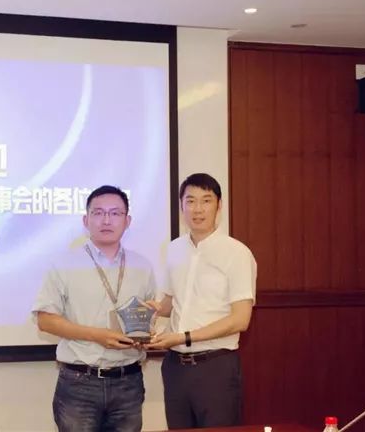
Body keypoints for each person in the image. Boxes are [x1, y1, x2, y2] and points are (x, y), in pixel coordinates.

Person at [33, 185, 156, 432]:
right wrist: (96, 335)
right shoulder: (64, 263)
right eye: (98, 213)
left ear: (127, 221)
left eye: (115, 213)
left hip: (128, 381)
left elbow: (149, 316)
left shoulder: (142, 266)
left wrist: (146, 334)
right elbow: (45, 320)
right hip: (80, 382)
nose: (106, 220)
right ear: (85, 220)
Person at [145, 173, 257, 429]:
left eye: (206, 201)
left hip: (215, 367)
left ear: (219, 205)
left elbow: (240, 319)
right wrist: (150, 312)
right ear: (181, 206)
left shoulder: (237, 253)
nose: (197, 209)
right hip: (175, 368)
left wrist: (183, 337)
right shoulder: (174, 249)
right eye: (190, 201)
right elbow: (170, 304)